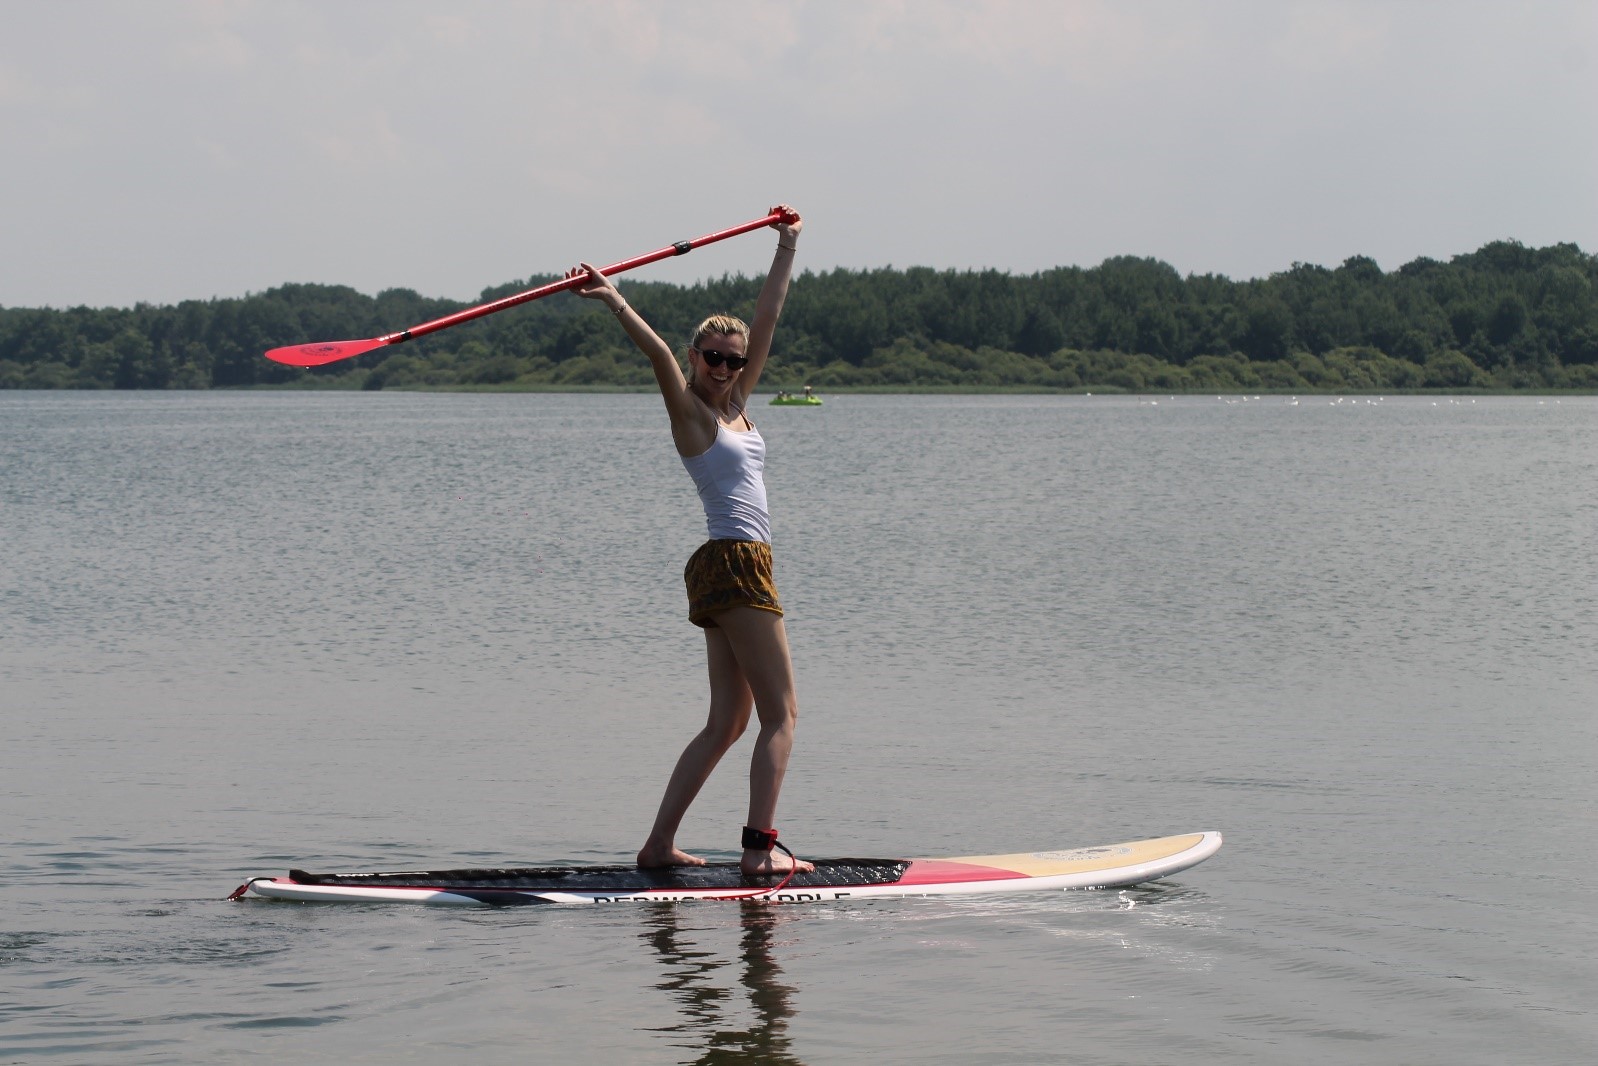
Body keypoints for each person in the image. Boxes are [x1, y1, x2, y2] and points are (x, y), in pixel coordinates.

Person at [565, 205, 813, 876]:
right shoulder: (693, 414)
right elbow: (654, 354)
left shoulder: (738, 401)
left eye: (734, 360)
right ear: (696, 358)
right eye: (714, 358)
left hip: (727, 567)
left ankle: (655, 846)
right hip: (735, 563)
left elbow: (767, 319)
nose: (727, 367)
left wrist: (786, 247)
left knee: (729, 723)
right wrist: (615, 299)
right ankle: (760, 855)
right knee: (782, 716)